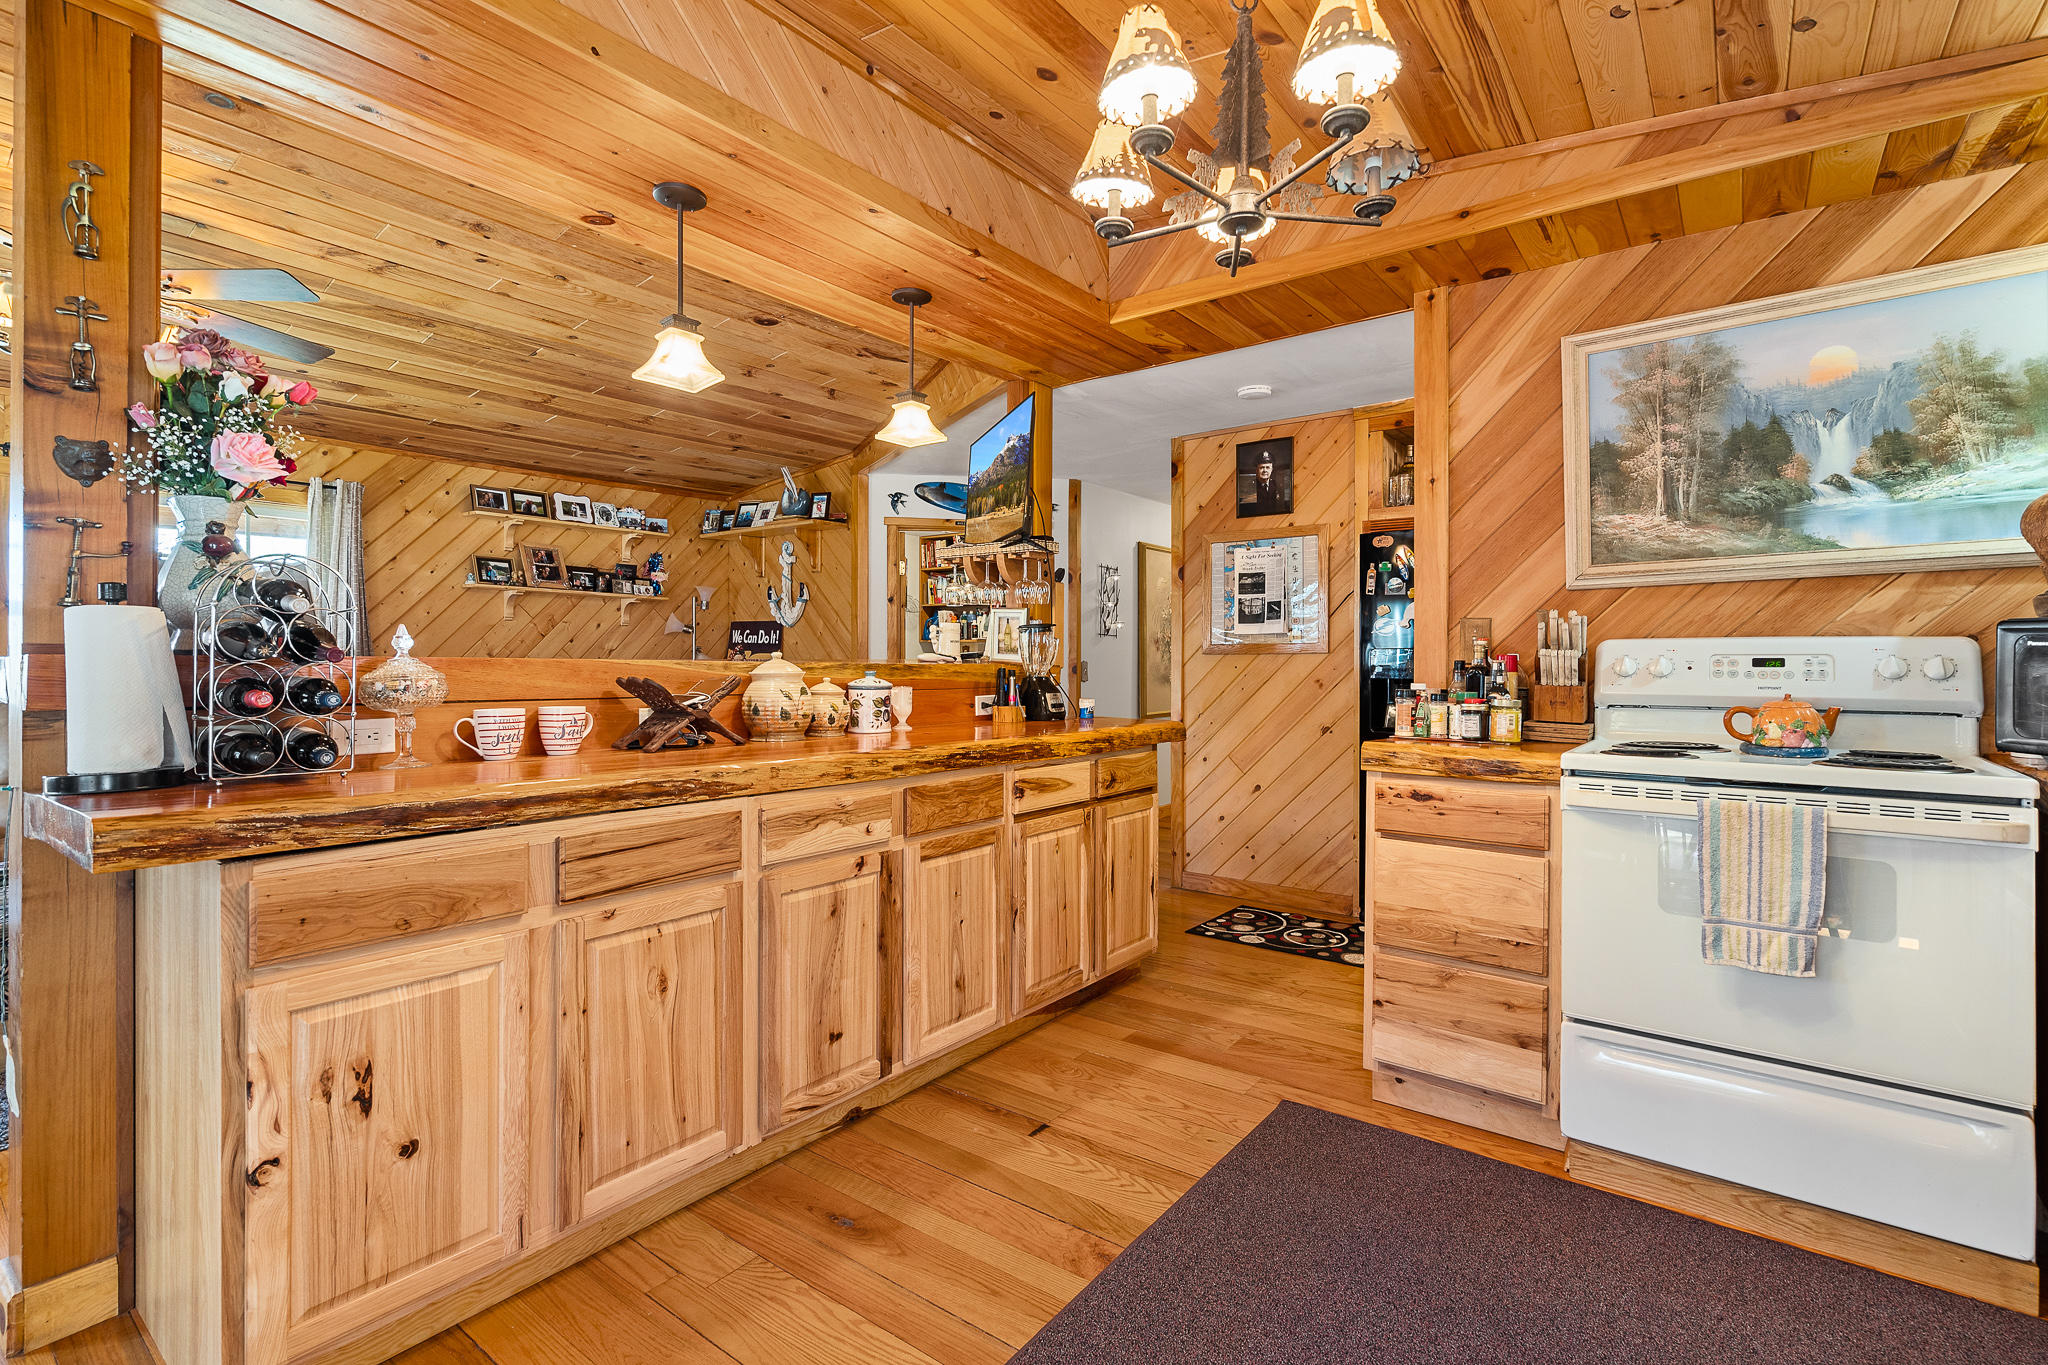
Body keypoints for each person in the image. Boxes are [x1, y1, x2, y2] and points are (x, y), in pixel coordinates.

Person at [1240, 452, 1290, 516]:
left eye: (1268, 467)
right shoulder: (1250, 486)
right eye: (1261, 467)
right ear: (1256, 469)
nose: (1265, 470)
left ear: (1272, 469)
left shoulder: (1277, 485)